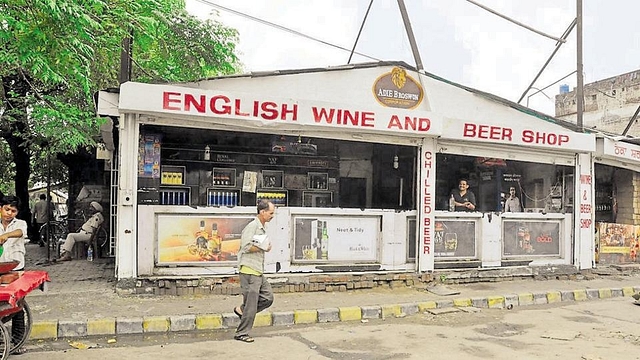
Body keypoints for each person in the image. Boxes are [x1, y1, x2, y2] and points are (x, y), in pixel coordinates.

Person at [233, 200, 275, 343]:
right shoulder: (252, 226)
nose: (272, 216)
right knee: (251, 305)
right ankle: (241, 333)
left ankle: (241, 310)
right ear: (262, 212)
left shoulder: (261, 227)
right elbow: (245, 246)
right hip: (249, 270)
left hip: (258, 269)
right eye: (271, 213)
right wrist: (263, 248)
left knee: (268, 297)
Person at [0, 195, 28, 354]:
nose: (9, 213)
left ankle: (18, 342)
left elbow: (19, 233)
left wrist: (6, 235)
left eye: (13, 211)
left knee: (17, 306)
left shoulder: (20, 224)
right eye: (7, 209)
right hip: (0, 270)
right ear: (1, 208)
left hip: (17, 270)